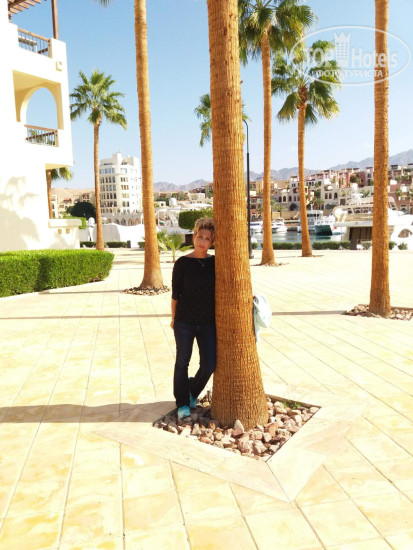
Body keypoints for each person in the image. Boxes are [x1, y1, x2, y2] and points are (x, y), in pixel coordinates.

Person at [171, 217, 216, 420]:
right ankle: (182, 403)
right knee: (182, 361)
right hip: (184, 322)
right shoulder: (182, 263)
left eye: (207, 238)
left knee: (209, 364)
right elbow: (176, 295)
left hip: (207, 322)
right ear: (194, 236)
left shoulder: (215, 262)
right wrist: (173, 318)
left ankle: (192, 391)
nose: (202, 242)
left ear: (211, 242)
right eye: (200, 236)